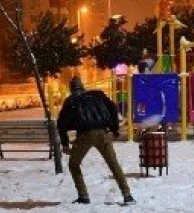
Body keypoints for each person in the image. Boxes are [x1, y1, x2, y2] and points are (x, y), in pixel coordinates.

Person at [57, 76, 135, 205]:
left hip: (85, 135)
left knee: (74, 164)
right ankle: (127, 195)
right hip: (103, 132)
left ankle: (83, 196)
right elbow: (112, 108)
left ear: (71, 89)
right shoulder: (97, 95)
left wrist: (65, 144)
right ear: (82, 86)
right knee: (113, 163)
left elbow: (61, 124)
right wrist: (114, 129)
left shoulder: (71, 101)